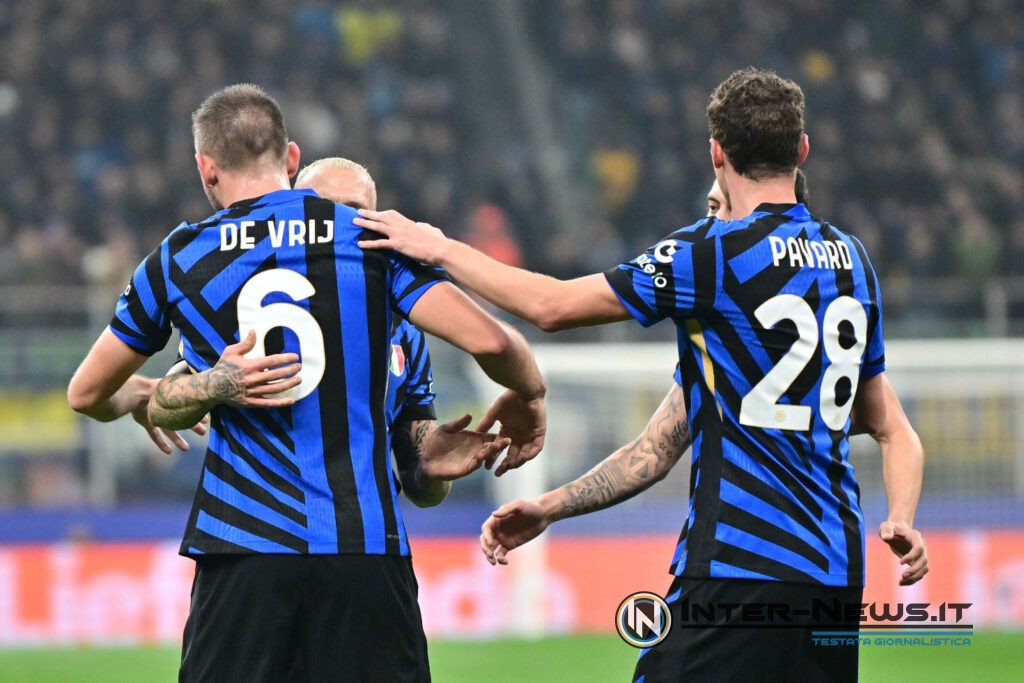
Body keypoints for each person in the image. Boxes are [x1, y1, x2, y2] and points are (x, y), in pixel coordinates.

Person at [353, 68, 927, 682]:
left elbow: (551, 305)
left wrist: (437, 246)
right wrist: (903, 518)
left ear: (717, 153)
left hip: (740, 567)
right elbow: (890, 427)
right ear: (802, 149)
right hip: (835, 577)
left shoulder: (711, 254)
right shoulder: (852, 263)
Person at [67, 83, 548, 682]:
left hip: (242, 551)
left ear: (205, 169)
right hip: (365, 552)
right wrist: (530, 395)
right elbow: (495, 343)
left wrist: (154, 395)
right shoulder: (371, 240)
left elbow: (85, 394)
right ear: (291, 159)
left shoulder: (179, 259)